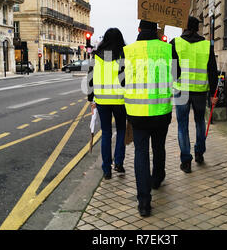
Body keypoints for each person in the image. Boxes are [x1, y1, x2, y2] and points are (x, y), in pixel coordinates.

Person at [120, 20, 173, 217]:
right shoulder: (168, 49)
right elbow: (177, 75)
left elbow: (122, 80)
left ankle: (144, 202)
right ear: (156, 30)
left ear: (139, 30)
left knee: (141, 153)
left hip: (137, 113)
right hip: (161, 111)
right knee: (159, 147)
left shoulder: (127, 51)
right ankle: (157, 178)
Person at [171, 16, 218, 173]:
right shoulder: (207, 45)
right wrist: (213, 94)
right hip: (199, 91)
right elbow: (212, 70)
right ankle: (199, 152)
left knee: (182, 126)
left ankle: (186, 161)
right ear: (198, 28)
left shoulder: (175, 43)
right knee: (199, 121)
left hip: (181, 90)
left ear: (184, 27)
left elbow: (173, 70)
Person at [87, 28, 127, 180]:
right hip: (120, 100)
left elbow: (90, 78)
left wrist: (91, 98)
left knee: (106, 133)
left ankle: (106, 169)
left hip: (102, 99)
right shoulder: (123, 55)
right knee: (121, 130)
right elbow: (125, 79)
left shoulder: (96, 56)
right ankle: (119, 162)